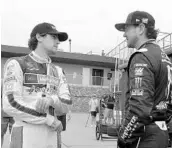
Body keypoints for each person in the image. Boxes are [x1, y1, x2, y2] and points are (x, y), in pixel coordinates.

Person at [2, 22, 72, 148]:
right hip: (26, 133)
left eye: (58, 39)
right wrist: (47, 119)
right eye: (54, 37)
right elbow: (10, 103)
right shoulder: (16, 64)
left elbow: (67, 104)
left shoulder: (58, 71)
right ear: (39, 37)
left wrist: (52, 100)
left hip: (53, 136)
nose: (58, 42)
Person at [115, 11, 171, 148]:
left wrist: (123, 139)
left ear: (140, 28)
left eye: (127, 29)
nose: (124, 34)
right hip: (161, 133)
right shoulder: (164, 57)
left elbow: (139, 109)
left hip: (144, 135)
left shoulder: (142, 56)